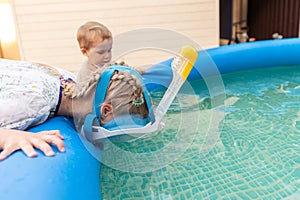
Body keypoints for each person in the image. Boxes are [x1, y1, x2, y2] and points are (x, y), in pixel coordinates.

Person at [0, 59, 151, 160]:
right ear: (105, 111)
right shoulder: (33, 104)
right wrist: (9, 136)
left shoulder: (67, 79)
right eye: (119, 126)